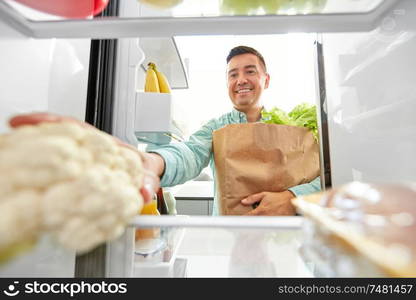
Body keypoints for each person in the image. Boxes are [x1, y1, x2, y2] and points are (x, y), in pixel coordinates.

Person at [142, 45, 321, 216]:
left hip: (281, 238)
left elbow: (327, 179)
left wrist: (292, 198)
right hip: (227, 238)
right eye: (233, 74)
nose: (241, 80)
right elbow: (191, 153)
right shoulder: (216, 128)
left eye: (250, 71)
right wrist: (154, 162)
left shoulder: (288, 127)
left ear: (266, 80)